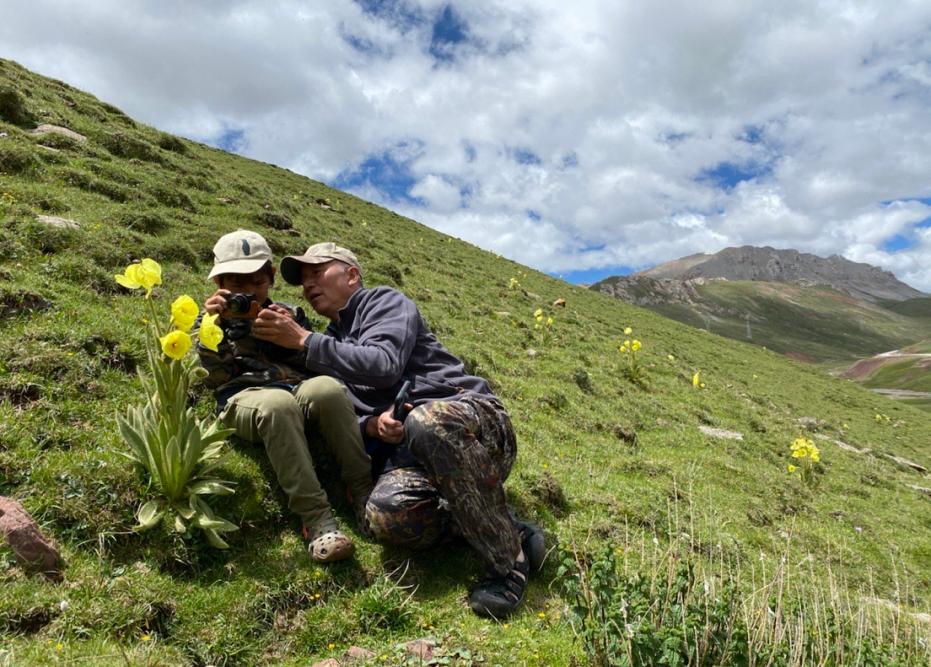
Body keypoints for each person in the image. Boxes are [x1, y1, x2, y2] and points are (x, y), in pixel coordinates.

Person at [250, 242, 544, 619]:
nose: (307, 284)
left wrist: (305, 340)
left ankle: (508, 565)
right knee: (384, 514)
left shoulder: (383, 303)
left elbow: (384, 364)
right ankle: (507, 525)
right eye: (302, 280)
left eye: (317, 272)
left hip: (476, 425)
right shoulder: (328, 342)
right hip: (415, 455)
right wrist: (371, 424)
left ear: (351, 275)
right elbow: (341, 412)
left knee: (427, 421)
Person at [196, 230, 373, 563]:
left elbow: (317, 366)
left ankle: (363, 492)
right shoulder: (204, 320)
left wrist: (290, 336)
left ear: (271, 278)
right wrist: (213, 328)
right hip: (245, 397)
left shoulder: (288, 314)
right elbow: (214, 379)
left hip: (296, 388)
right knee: (278, 404)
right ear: (217, 281)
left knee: (328, 390)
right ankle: (317, 520)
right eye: (235, 284)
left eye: (256, 282)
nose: (246, 292)